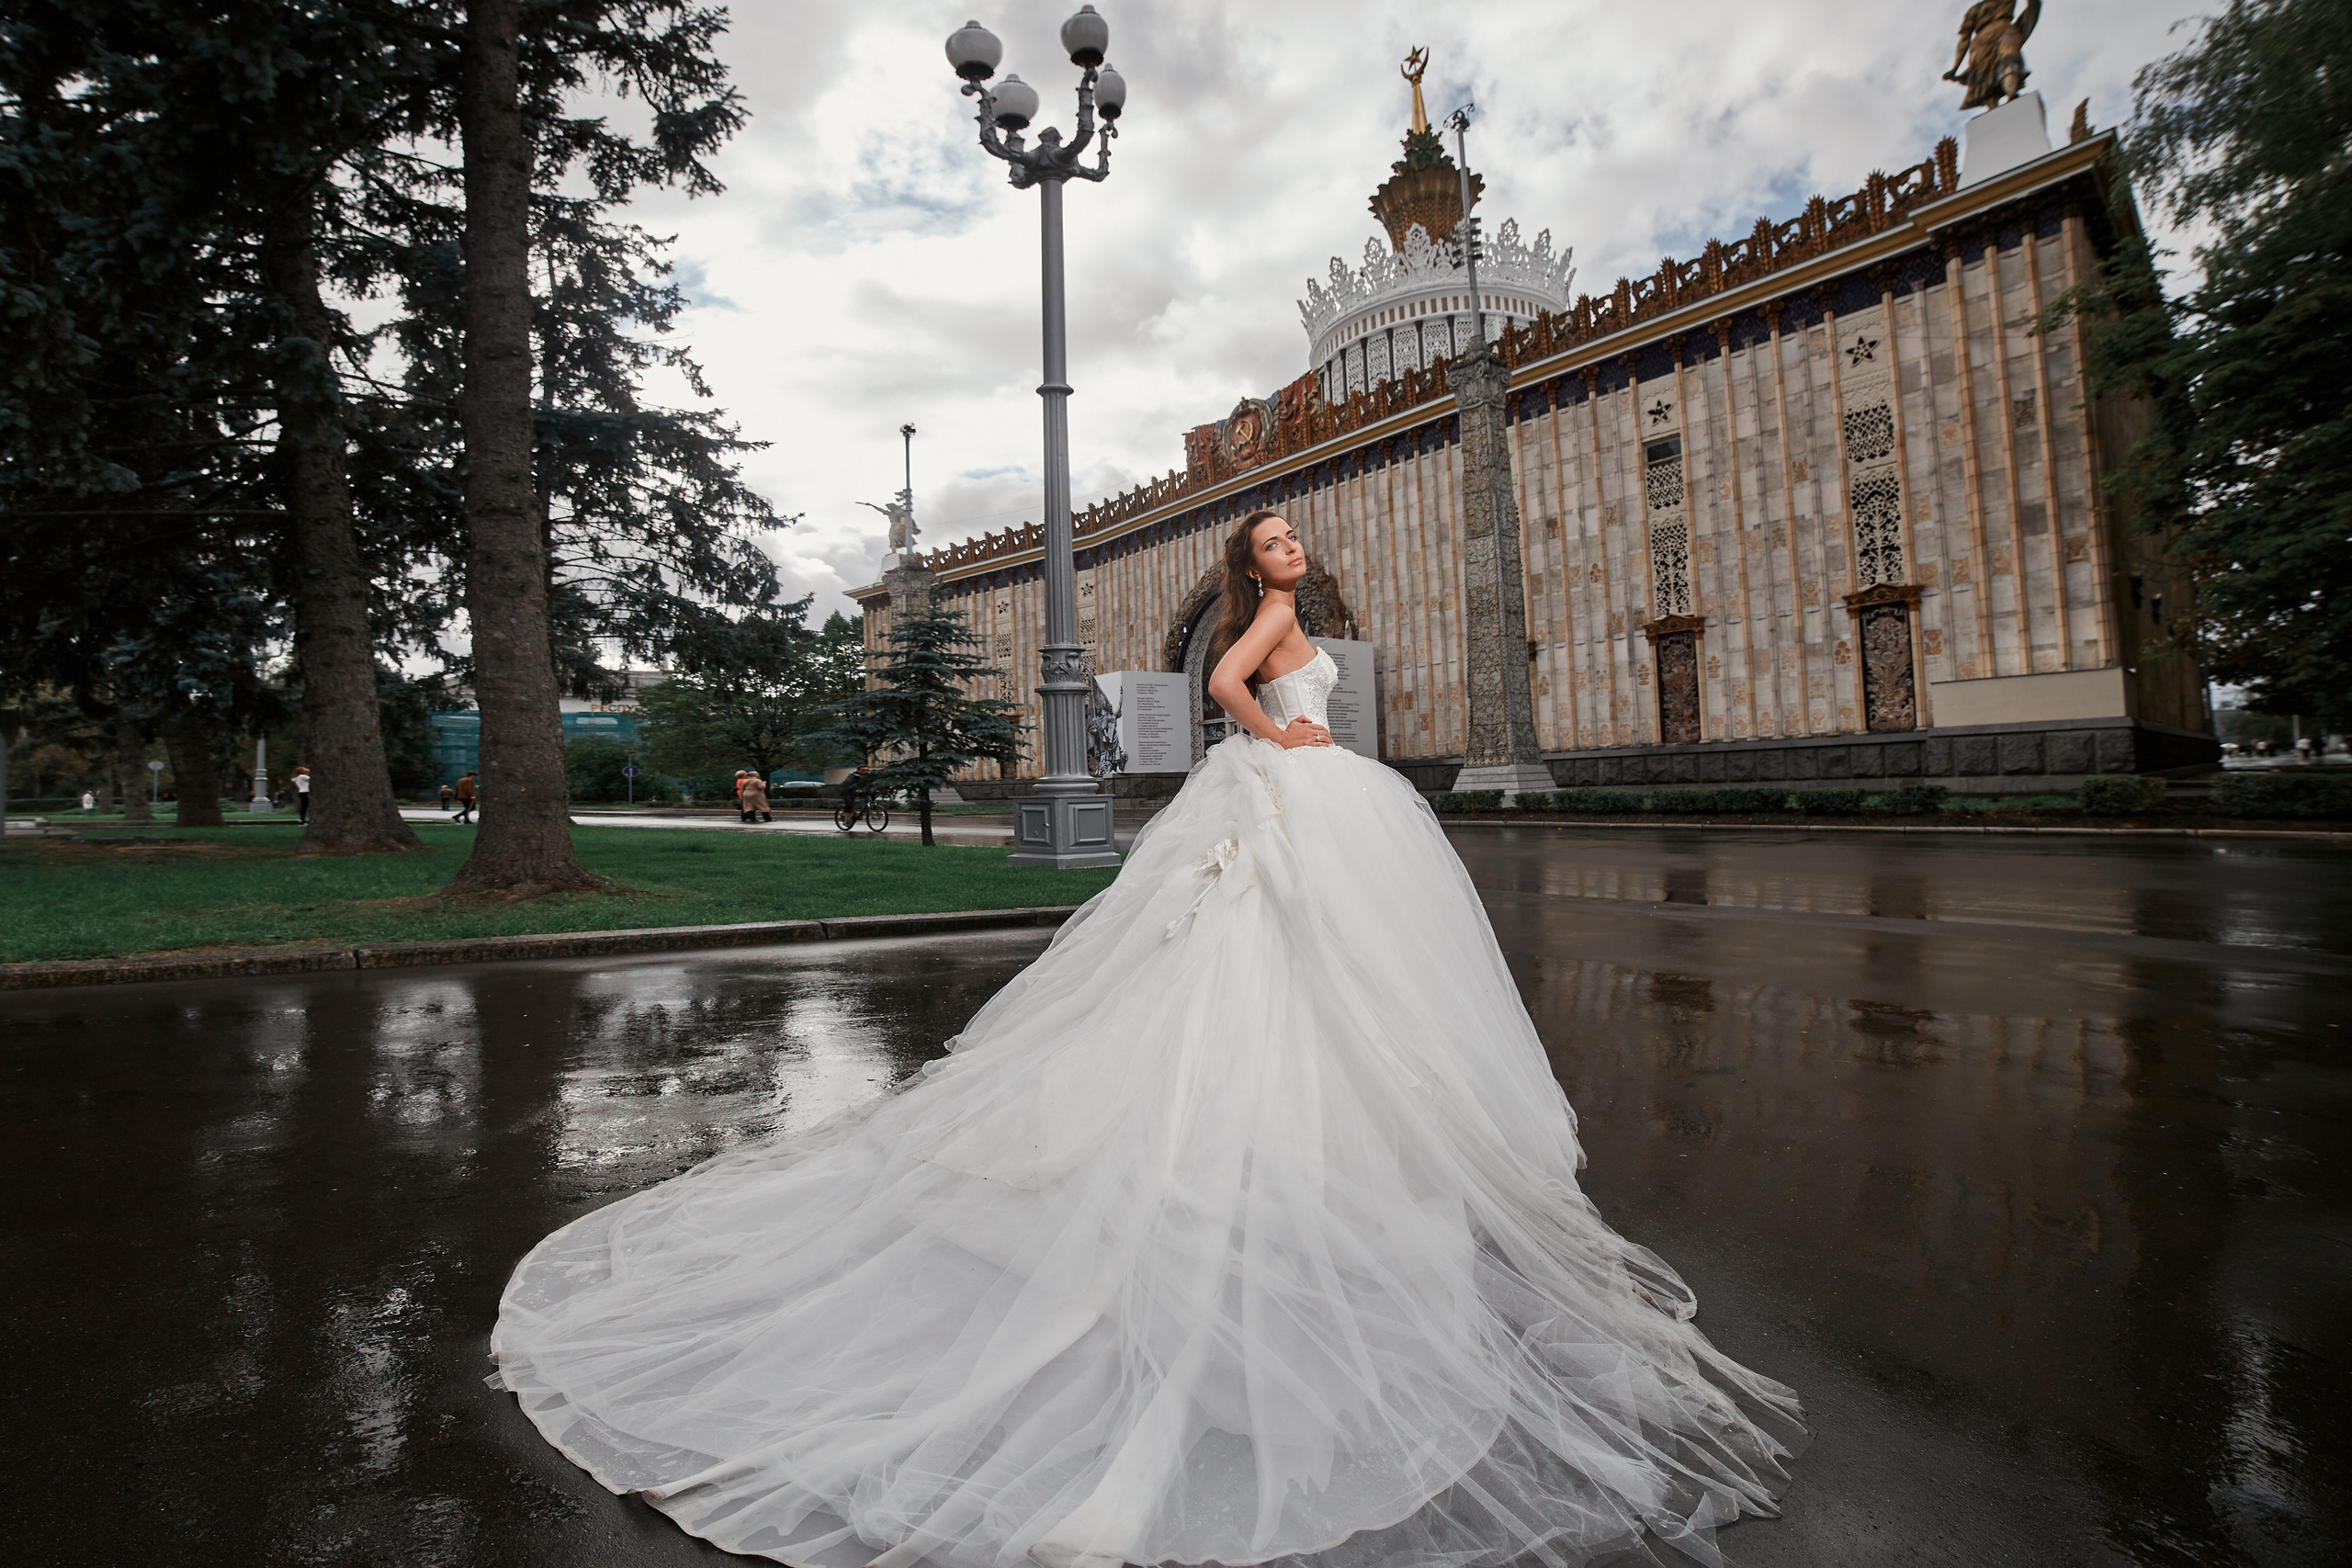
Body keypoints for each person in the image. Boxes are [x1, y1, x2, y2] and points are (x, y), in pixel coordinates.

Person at [489, 510, 1804, 1568]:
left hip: (1300, 796)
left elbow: (1226, 675)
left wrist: (1288, 731)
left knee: (1289, 966)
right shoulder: (1276, 623)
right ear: (1252, 568)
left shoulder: (1292, 612)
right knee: (1307, 968)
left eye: (1294, 544)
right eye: (1275, 547)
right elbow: (1228, 679)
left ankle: (1307, 1144)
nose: (1293, 555)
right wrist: (1289, 731)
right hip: (1298, 789)